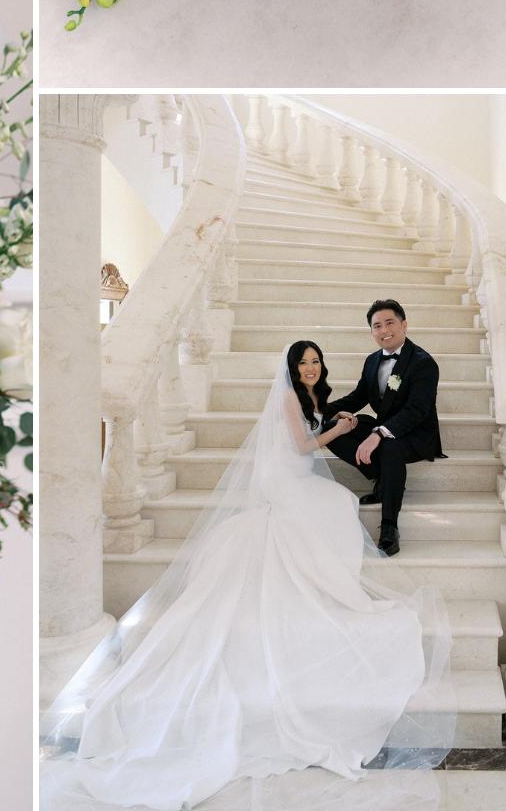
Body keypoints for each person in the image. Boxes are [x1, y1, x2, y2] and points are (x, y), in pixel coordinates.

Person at [40, 341, 453, 811]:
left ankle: (324, 576)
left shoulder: (314, 395)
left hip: (297, 474)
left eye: (316, 361)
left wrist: (339, 418)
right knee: (337, 502)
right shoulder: (289, 397)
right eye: (304, 362)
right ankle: (323, 581)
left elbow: (321, 423)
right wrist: (338, 428)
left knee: (338, 501)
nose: (311, 368)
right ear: (292, 368)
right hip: (285, 477)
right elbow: (302, 445)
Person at [325, 299, 445, 558]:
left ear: (404, 325)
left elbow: (416, 410)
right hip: (384, 427)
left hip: (416, 433)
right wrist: (318, 410)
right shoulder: (372, 361)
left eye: (389, 323)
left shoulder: (423, 362)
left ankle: (389, 525)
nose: (384, 330)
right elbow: (358, 398)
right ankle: (384, 480)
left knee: (390, 446)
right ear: (372, 332)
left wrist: (378, 433)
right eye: (377, 326)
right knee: (333, 429)